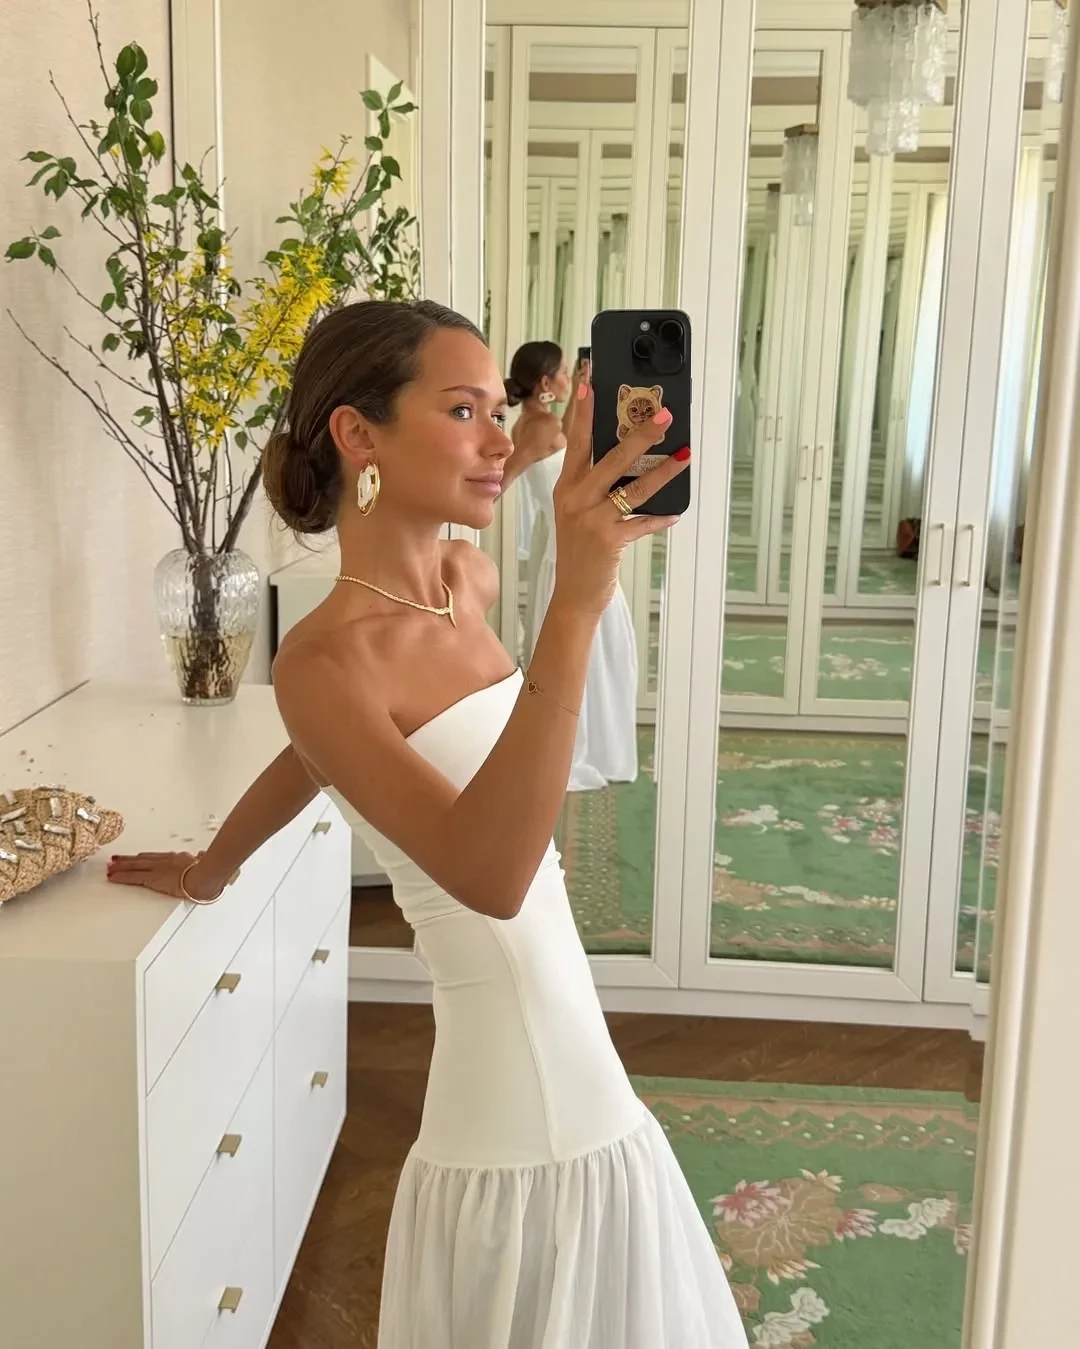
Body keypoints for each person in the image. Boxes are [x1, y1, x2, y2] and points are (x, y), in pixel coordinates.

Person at [107, 300, 744, 1349]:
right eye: (463, 410)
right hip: (516, 1106)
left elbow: (320, 757)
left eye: (500, 409)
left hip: (570, 1052)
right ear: (358, 434)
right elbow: (490, 875)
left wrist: (216, 862)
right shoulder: (323, 660)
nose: (499, 439)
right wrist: (575, 604)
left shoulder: (464, 580)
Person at [505, 340, 640, 791]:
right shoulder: (539, 428)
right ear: (546, 382)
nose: (569, 377)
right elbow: (507, 475)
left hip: (560, 548)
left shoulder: (535, 421)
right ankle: (587, 750)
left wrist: (583, 390)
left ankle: (588, 746)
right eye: (564, 371)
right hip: (570, 552)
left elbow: (560, 450)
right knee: (597, 652)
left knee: (597, 650)